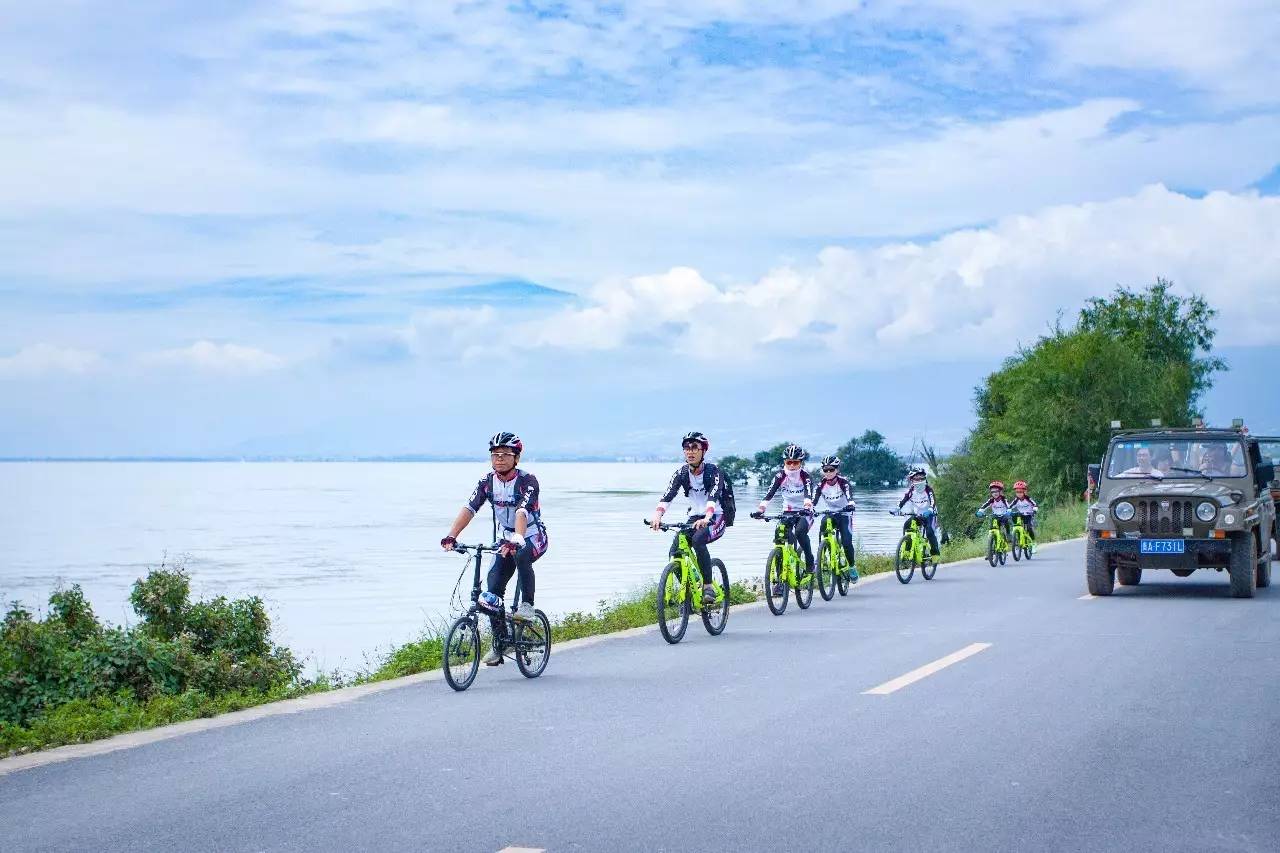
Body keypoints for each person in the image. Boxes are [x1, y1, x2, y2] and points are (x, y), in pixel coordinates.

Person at [441, 432, 548, 666]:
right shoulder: (487, 482)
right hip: (507, 537)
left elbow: (522, 511)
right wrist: (452, 535)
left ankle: (527, 605)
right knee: (492, 593)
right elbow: (469, 508)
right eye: (495, 455)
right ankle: (501, 642)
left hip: (531, 535)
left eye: (505, 455)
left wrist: (518, 538)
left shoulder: (527, 481)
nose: (499, 459)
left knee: (520, 553)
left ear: (516, 458)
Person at [652, 431, 727, 605]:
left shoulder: (713, 471)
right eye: (687, 448)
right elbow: (668, 495)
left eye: (695, 447)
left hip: (716, 515)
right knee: (675, 551)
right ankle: (691, 587)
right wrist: (657, 516)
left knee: (698, 540)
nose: (690, 451)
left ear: (703, 451)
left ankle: (708, 586)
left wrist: (707, 517)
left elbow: (713, 497)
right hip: (694, 517)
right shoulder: (681, 473)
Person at [757, 444, 816, 594]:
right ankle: (781, 581)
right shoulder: (780, 476)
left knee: (800, 532)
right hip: (787, 511)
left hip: (805, 511)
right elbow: (770, 493)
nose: (791, 465)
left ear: (801, 463)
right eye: (788, 462)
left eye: (795, 462)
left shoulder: (806, 476)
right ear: (784, 462)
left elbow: (809, 494)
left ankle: (810, 561)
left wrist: (807, 506)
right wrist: (761, 509)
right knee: (779, 538)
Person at [812, 454, 858, 583]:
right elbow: (813, 500)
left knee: (847, 543)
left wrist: (851, 504)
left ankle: (852, 566)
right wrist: (810, 508)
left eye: (831, 469)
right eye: (825, 470)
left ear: (836, 470)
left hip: (844, 514)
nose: (828, 472)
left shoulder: (844, 482)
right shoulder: (820, 484)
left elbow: (849, 496)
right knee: (823, 523)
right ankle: (822, 553)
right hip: (831, 513)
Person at [897, 467, 941, 557]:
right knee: (907, 526)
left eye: (922, 478)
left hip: (930, 514)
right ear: (912, 480)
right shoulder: (911, 491)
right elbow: (904, 500)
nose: (919, 480)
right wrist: (897, 509)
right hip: (918, 515)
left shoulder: (928, 490)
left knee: (929, 532)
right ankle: (907, 550)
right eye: (917, 479)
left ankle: (935, 554)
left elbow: (933, 501)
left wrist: (930, 510)